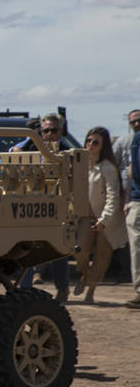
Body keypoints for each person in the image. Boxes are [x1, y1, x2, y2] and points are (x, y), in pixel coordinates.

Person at [16, 113, 73, 302]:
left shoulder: (67, 150)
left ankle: (63, 288)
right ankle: (25, 290)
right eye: (45, 130)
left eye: (53, 130)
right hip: (31, 205)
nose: (49, 134)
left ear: (61, 131)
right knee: (27, 248)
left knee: (59, 250)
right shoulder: (31, 146)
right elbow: (15, 153)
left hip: (58, 206)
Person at [73, 127, 127, 303]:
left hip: (106, 218)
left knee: (102, 257)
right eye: (88, 140)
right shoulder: (80, 166)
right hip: (85, 217)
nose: (91, 145)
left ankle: (91, 292)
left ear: (103, 145)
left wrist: (105, 220)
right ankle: (84, 274)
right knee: (79, 251)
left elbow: (113, 195)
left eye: (95, 142)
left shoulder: (108, 168)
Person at [112, 109, 140, 309]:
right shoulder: (130, 141)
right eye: (133, 121)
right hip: (136, 199)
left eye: (139, 120)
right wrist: (127, 200)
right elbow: (129, 173)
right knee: (136, 247)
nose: (137, 124)